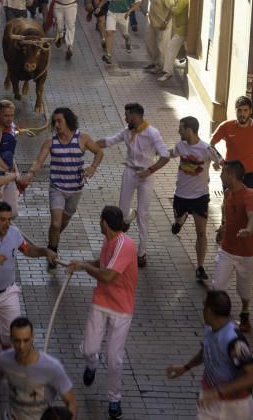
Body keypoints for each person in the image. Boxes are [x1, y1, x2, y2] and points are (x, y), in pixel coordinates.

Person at [0, 202, 57, 377]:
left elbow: (27, 250)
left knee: (13, 329)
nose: (6, 224)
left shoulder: (14, 233)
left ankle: (9, 349)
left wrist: (45, 252)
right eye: (3, 220)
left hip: (8, 292)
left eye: (9, 220)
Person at [68, 206, 137, 420]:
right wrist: (82, 264)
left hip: (121, 309)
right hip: (101, 302)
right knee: (89, 349)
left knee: (114, 359)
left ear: (104, 223)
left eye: (100, 221)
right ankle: (91, 364)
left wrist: (86, 268)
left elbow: (107, 276)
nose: (100, 224)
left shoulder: (125, 245)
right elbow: (103, 264)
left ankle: (114, 400)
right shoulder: (109, 241)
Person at [24, 107, 103, 272]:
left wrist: (93, 167)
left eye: (60, 120)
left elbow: (99, 152)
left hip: (75, 190)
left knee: (61, 225)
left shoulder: (82, 138)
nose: (57, 124)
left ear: (68, 120)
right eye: (54, 121)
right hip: (57, 189)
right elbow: (38, 161)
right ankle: (52, 253)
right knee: (55, 223)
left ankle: (52, 243)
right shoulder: (51, 142)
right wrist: (31, 173)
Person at [97, 103, 170, 267]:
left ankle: (142, 252)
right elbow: (109, 141)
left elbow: (165, 156)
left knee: (143, 214)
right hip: (130, 172)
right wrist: (88, 144)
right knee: (121, 211)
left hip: (146, 174)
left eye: (127, 115)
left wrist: (150, 170)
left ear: (136, 116)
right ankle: (128, 218)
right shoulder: (127, 130)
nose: (125, 118)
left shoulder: (152, 133)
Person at [166, 290, 253, 420]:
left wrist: (218, 393)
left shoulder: (234, 341)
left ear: (209, 311)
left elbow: (250, 377)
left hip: (235, 406)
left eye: (204, 306)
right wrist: (186, 367)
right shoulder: (210, 327)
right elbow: (207, 350)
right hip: (209, 399)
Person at [0, 316, 77, 419]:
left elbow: (71, 403)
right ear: (11, 339)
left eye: (26, 340)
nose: (21, 346)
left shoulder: (52, 367)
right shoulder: (4, 359)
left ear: (33, 337)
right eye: (17, 341)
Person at [169, 116, 222, 281]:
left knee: (201, 232)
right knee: (177, 221)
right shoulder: (180, 146)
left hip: (200, 197)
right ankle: (180, 220)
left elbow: (221, 160)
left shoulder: (206, 148)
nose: (178, 131)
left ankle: (200, 267)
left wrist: (218, 164)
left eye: (181, 128)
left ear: (189, 130)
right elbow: (169, 153)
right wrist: (156, 151)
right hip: (181, 195)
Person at [212, 160, 253, 333]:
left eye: (223, 173)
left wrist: (249, 230)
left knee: (244, 290)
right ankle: (220, 318)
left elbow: (252, 216)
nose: (220, 176)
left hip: (246, 252)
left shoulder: (249, 195)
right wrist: (223, 227)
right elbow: (227, 214)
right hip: (227, 250)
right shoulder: (228, 192)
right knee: (217, 286)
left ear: (231, 175)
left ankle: (244, 314)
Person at [97, 0, 141, 65]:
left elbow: (138, 1)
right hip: (112, 13)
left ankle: (128, 40)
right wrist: (99, 7)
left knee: (124, 35)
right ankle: (108, 55)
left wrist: (130, 11)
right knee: (109, 32)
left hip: (123, 15)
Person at [210, 96, 253, 188]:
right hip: (230, 173)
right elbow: (211, 144)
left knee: (248, 202)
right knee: (229, 201)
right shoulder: (226, 126)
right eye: (239, 110)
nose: (242, 114)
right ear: (235, 111)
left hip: (250, 175)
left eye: (245, 110)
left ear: (250, 111)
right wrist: (218, 159)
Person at [158, 0, 189, 82]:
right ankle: (169, 71)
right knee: (180, 49)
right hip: (181, 29)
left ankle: (168, 72)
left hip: (182, 30)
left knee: (171, 48)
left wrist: (171, 8)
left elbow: (176, 11)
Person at [144, 0, 174, 75]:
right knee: (149, 43)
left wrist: (166, 22)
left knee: (161, 47)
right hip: (151, 23)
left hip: (162, 25)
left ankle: (160, 66)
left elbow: (171, 8)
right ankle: (153, 62)